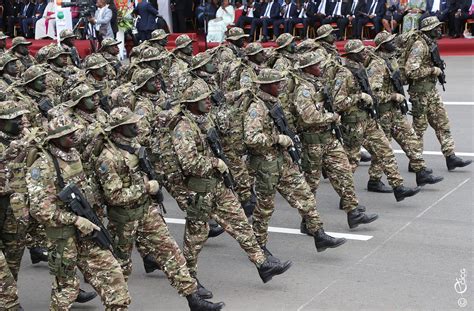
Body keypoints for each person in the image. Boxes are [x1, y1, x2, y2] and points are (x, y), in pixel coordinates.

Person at [95, 107, 225, 311]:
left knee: (171, 253)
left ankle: (193, 299)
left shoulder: (134, 147)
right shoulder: (108, 158)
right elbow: (114, 196)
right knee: (120, 269)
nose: (137, 125)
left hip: (146, 212)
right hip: (124, 220)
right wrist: (146, 187)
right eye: (132, 124)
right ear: (120, 129)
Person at [172, 78, 292, 287]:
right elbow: (189, 163)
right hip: (199, 190)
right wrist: (214, 163)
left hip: (217, 186)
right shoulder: (183, 128)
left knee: (241, 223)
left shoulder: (205, 119)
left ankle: (262, 264)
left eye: (209, 98)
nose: (209, 102)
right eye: (204, 99)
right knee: (195, 238)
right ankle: (190, 280)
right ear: (192, 103)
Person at [26, 115, 131, 310]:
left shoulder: (74, 155)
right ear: (55, 139)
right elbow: (40, 210)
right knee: (66, 290)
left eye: (73, 132)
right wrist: (74, 220)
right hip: (64, 238)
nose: (73, 136)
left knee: (114, 277)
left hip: (89, 232)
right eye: (67, 134)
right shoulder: (44, 166)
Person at [335, 40, 422, 201]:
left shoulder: (360, 68)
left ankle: (398, 187)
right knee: (352, 161)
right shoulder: (344, 74)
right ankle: (346, 199)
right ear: (352, 55)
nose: (365, 53)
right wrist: (358, 97)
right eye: (360, 51)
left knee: (385, 150)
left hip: (368, 119)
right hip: (353, 123)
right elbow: (337, 102)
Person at [366, 31, 443, 188]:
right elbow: (373, 95)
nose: (394, 43)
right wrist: (393, 96)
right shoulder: (377, 65)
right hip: (383, 112)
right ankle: (374, 180)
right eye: (390, 41)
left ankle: (421, 172)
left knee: (411, 138)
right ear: (382, 46)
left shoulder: (391, 59)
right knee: (383, 148)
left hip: (395, 111)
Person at [405, 16, 472, 171]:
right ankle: (415, 162)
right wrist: (432, 70)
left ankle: (450, 157)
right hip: (420, 94)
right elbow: (410, 71)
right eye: (436, 27)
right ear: (429, 30)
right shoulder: (419, 46)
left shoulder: (430, 43)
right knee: (419, 129)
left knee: (442, 123)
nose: (439, 29)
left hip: (431, 91)